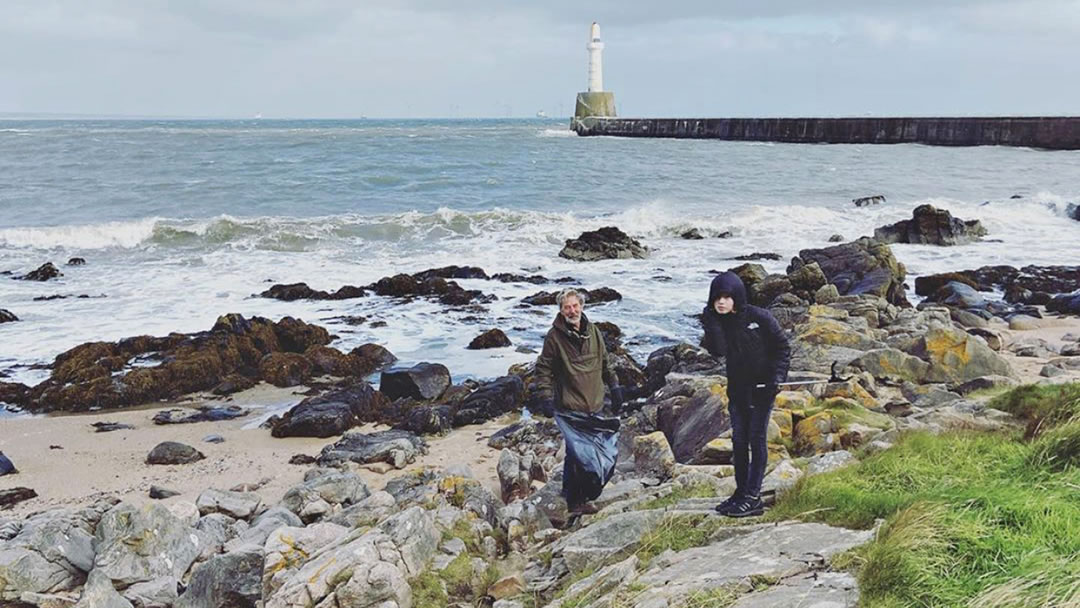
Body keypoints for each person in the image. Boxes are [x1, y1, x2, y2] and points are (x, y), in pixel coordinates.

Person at [702, 271, 791, 517]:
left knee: (756, 439)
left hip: (763, 389)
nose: (721, 302)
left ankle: (753, 497)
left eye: (727, 297)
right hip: (738, 390)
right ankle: (741, 492)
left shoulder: (760, 318)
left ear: (737, 297)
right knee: (739, 442)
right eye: (717, 297)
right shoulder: (718, 321)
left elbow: (782, 348)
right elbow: (718, 351)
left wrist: (777, 378)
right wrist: (711, 323)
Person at [534, 288, 625, 516]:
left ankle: (569, 492)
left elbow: (605, 362)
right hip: (570, 407)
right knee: (581, 457)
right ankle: (577, 501)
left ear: (582, 306)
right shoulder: (554, 338)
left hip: (595, 404)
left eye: (575, 306)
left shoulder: (593, 332)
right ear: (561, 310)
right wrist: (545, 397)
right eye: (567, 307)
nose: (572, 310)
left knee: (588, 455)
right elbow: (543, 369)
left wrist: (614, 387)